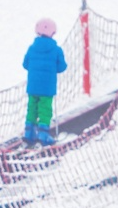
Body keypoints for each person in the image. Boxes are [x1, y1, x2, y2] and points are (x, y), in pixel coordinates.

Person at [22, 18, 68, 146]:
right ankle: (43, 134)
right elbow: (62, 67)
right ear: (53, 33)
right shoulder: (56, 50)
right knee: (45, 109)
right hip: (47, 87)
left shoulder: (31, 48)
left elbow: (25, 64)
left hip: (33, 86)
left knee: (32, 108)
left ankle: (29, 133)